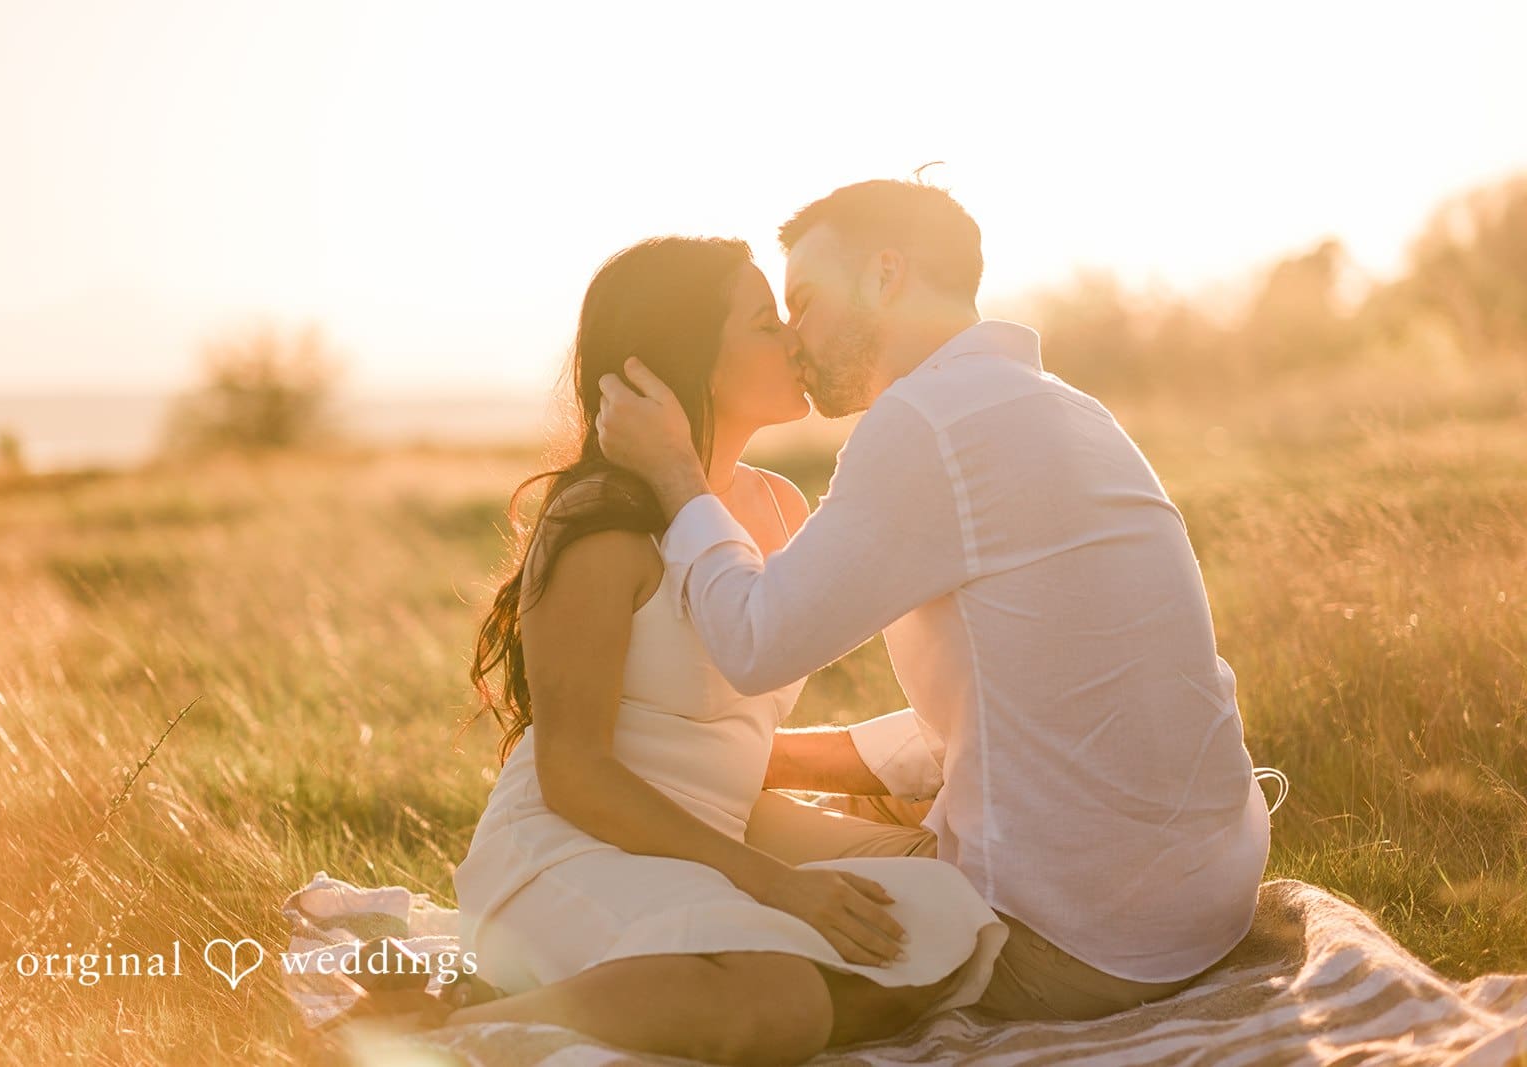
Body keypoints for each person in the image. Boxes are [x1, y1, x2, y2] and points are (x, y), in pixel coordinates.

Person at [595, 179, 1274, 1023]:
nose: (793, 337)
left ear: (885, 275)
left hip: (1073, 943)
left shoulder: (926, 421)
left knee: (731, 833)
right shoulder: (1066, 408)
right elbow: (1021, 702)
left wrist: (675, 474)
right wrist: (771, 755)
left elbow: (754, 642)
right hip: (1206, 906)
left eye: (804, 303)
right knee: (787, 802)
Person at [443, 235, 1008, 1065]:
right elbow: (572, 774)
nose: (794, 338)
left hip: (714, 841)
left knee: (951, 928)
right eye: (764, 322)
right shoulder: (601, 520)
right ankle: (455, 1032)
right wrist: (775, 884)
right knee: (777, 1001)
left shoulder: (779, 505)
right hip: (572, 848)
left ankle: (615, 999)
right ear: (696, 357)